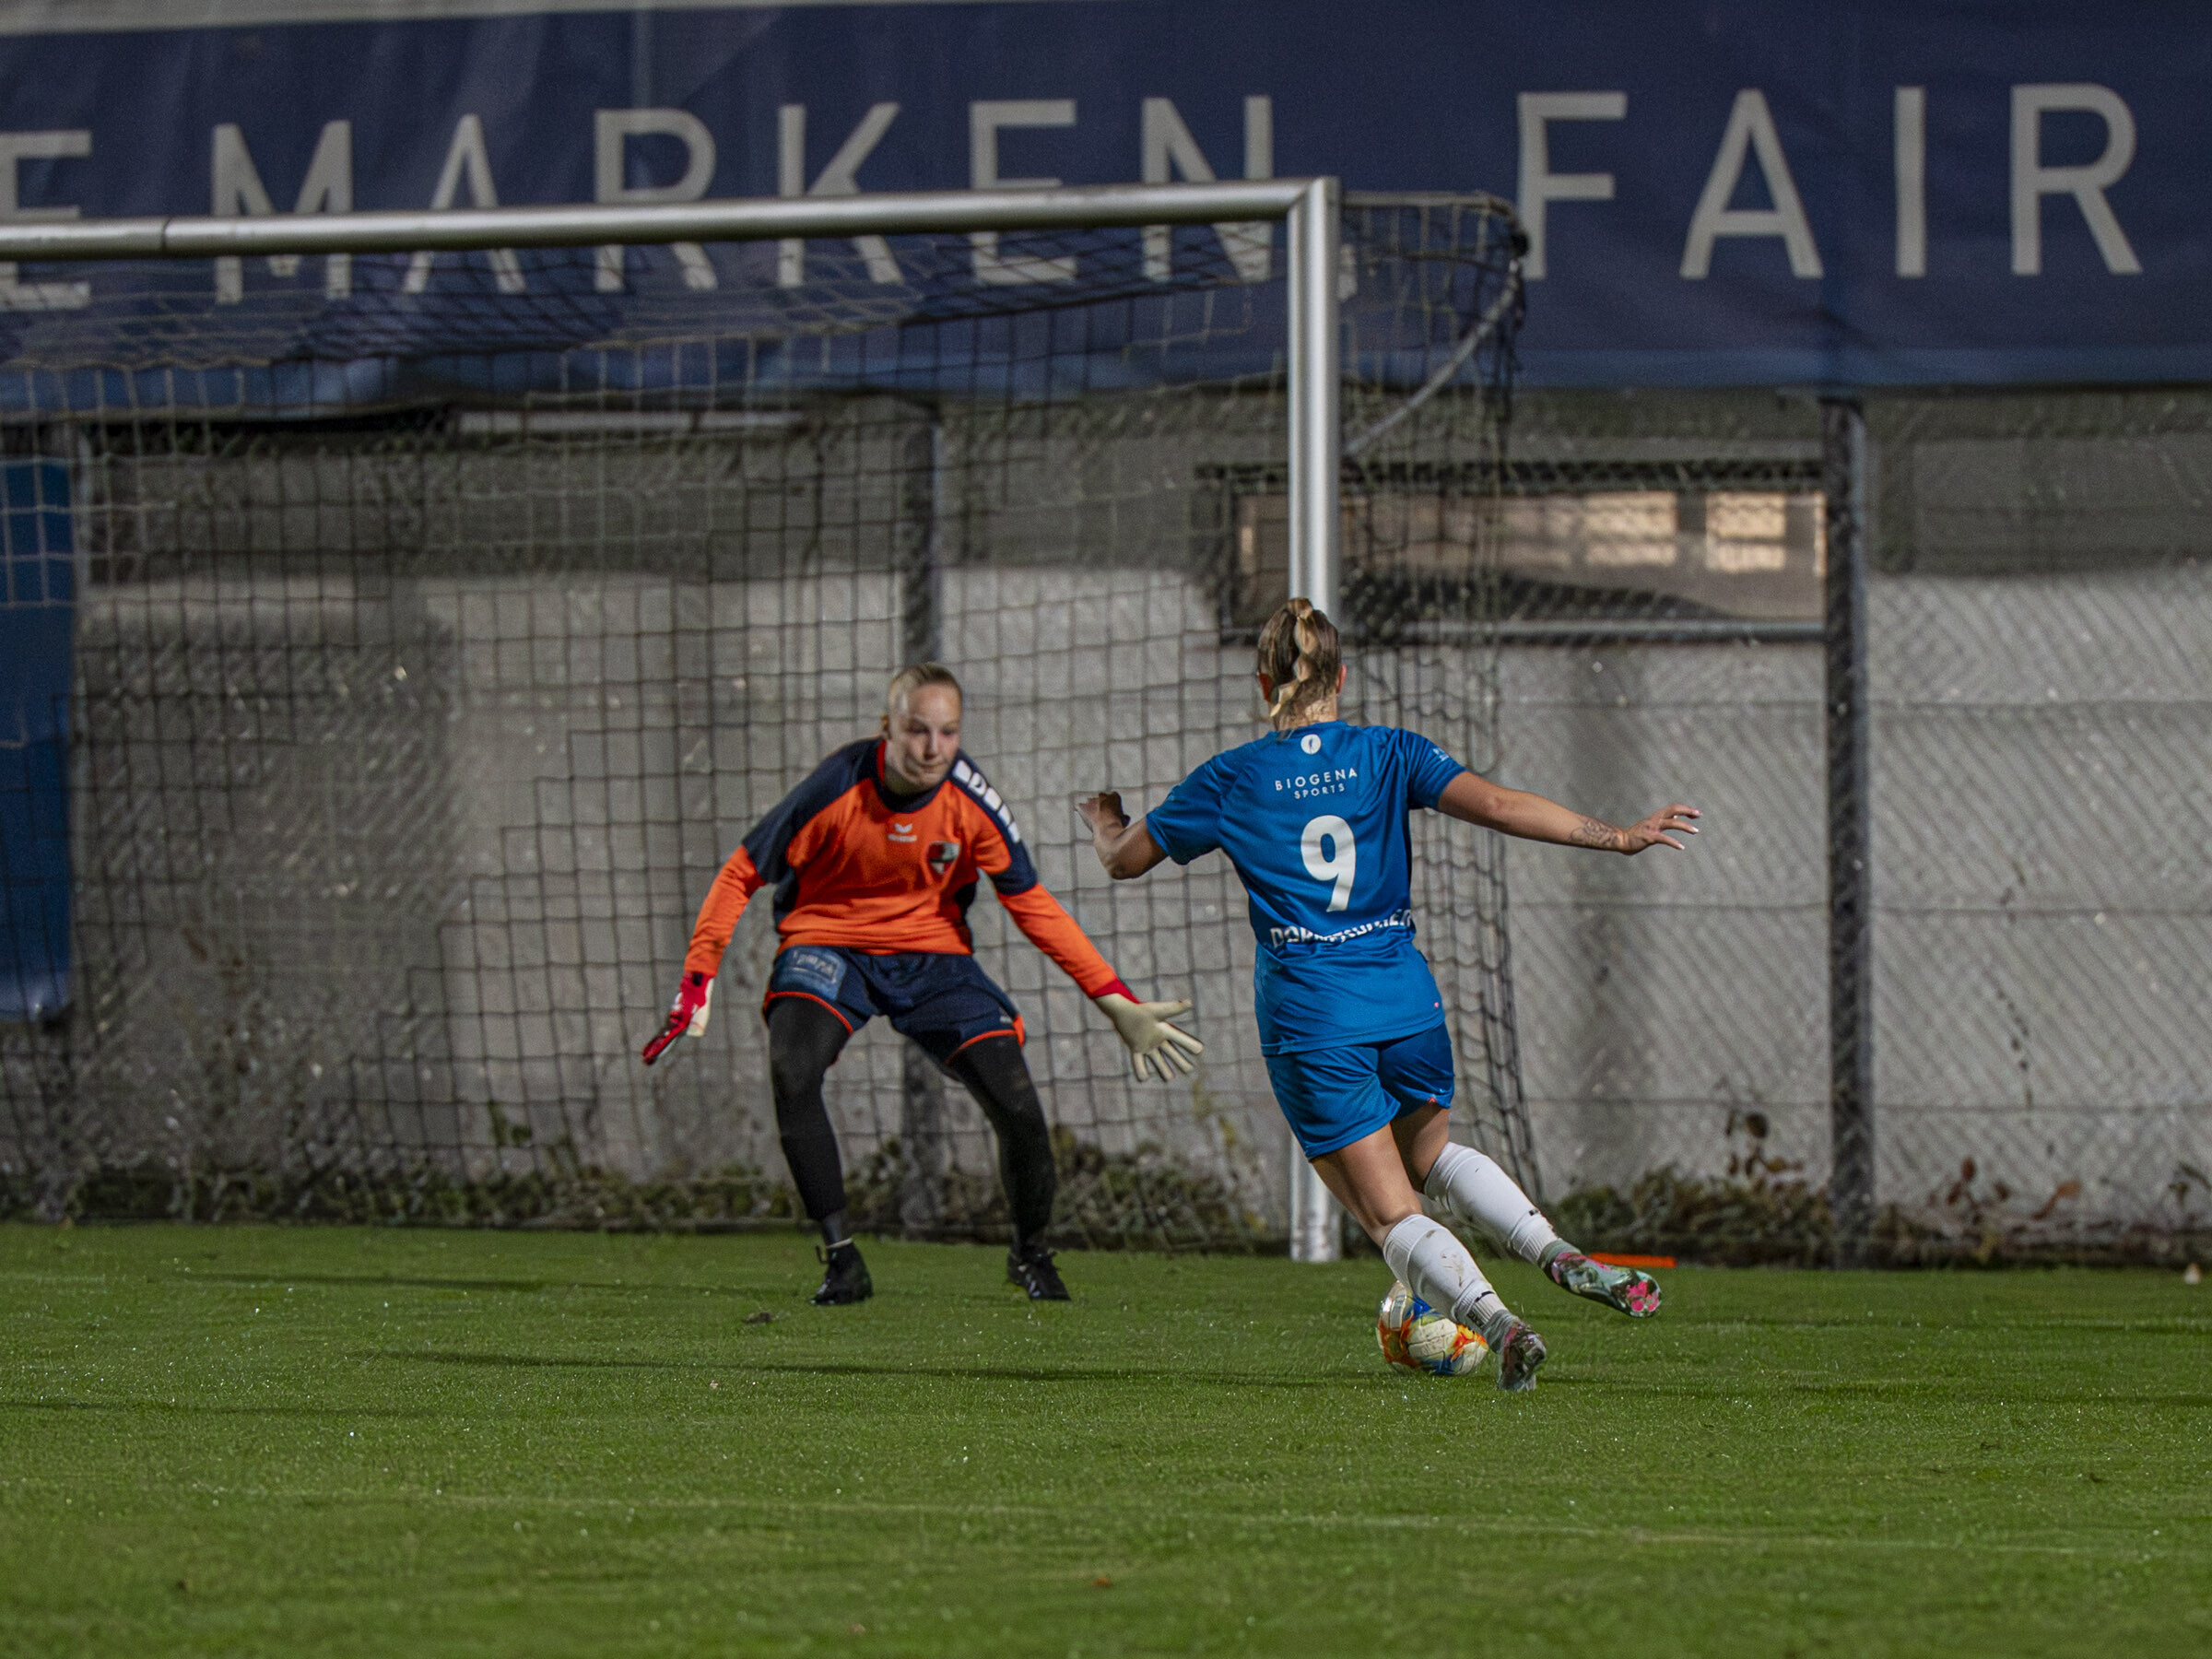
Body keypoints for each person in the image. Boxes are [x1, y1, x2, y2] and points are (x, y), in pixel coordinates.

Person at [1078, 601, 1697, 1391]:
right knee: (1431, 1156)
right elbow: (1500, 805)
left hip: (1313, 1016)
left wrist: (1105, 822)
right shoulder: (1391, 751)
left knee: (1389, 1213)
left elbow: (1125, 860)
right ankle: (1558, 1253)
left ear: (1263, 681)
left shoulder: (1231, 778)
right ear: (1341, 677)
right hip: (1406, 1002)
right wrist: (1618, 835)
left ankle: (1499, 1325)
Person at [644, 663, 1203, 1307]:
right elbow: (741, 871)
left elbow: (1031, 904)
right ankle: (841, 1259)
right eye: (917, 730)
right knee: (792, 1070)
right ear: (887, 728)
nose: (934, 748)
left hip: (934, 956)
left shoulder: (972, 800)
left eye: (948, 732)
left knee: (1018, 1106)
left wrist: (1115, 1000)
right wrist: (698, 979)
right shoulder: (836, 785)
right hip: (828, 942)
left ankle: (1030, 1254)